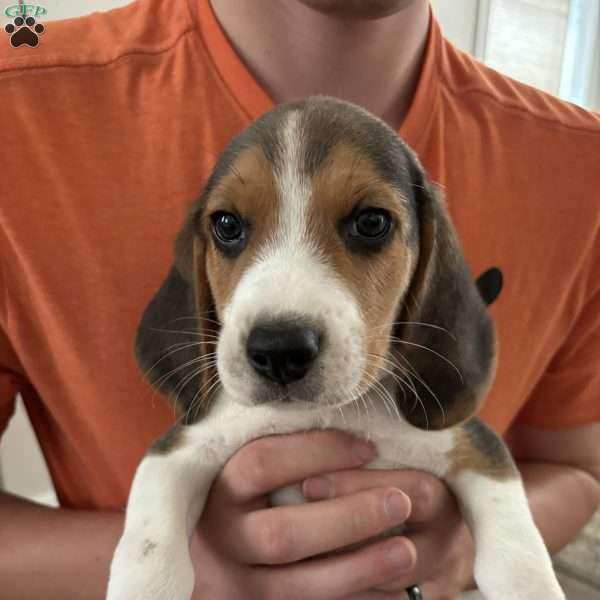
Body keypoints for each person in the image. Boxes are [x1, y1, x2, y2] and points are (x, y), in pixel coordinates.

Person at [0, 0, 599, 598]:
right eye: (231, 229)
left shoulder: (581, 166)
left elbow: (577, 471)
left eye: (369, 226)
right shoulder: (19, 96)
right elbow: (173, 465)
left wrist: (457, 553)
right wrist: (197, 569)